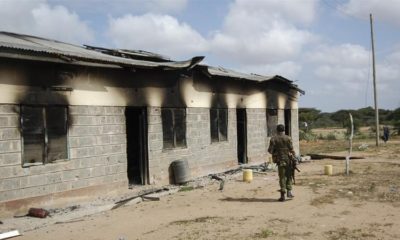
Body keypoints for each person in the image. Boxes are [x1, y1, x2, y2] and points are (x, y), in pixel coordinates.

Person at [268, 124, 296, 202]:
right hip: (288, 160)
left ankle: (282, 195)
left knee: (282, 177)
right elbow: (291, 149)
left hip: (280, 160)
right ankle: (289, 192)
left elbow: (270, 150)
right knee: (289, 175)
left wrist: (276, 152)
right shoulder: (288, 138)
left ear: (277, 130)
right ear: (284, 130)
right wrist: (294, 158)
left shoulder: (273, 139)